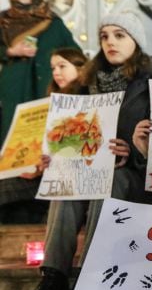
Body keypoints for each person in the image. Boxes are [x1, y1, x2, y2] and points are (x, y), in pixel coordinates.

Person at [12, 11, 152, 290]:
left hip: (136, 176)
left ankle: (89, 282)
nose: (110, 42)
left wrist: (132, 150)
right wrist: (56, 157)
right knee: (65, 188)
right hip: (90, 172)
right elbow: (71, 135)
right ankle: (54, 280)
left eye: (120, 35)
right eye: (105, 36)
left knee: (110, 180)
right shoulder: (85, 83)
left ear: (136, 41)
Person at [0, 47, 87, 224]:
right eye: (53, 68)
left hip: (63, 178)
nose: (56, 72)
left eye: (62, 66)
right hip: (40, 172)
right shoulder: (51, 101)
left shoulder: (88, 99)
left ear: (80, 68)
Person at [0, 0, 79, 146]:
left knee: (45, 140)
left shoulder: (53, 21)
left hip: (44, 89)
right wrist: (10, 51)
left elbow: (75, 54)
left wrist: (59, 65)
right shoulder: (3, 20)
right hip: (13, 90)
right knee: (11, 142)